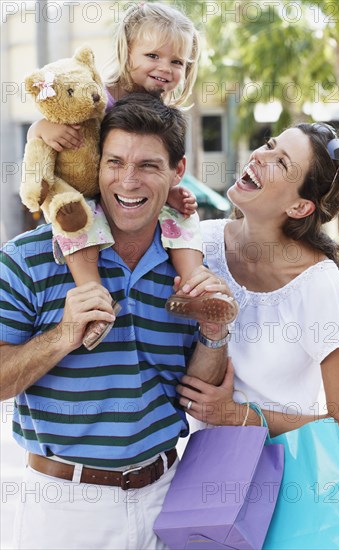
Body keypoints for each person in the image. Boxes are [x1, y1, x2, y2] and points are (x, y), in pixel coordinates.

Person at [0, 93, 234, 550]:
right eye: (115, 162)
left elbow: (194, 394)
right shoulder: (26, 258)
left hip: (167, 498)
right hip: (63, 508)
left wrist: (213, 332)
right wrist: (63, 336)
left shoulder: (189, 266)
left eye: (148, 165)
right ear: (96, 165)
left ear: (177, 172)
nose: (128, 180)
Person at [27, 2, 237, 350]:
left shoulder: (165, 112)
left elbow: (154, 166)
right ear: (127, 51)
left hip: (120, 194)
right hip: (81, 194)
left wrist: (170, 192)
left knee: (183, 216)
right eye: (153, 55)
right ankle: (93, 299)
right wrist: (42, 127)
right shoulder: (99, 95)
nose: (165, 68)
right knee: (79, 221)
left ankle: (194, 285)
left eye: (177, 62)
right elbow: (51, 116)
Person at [177, 122, 339, 449]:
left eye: (282, 162)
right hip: (207, 474)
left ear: (299, 207)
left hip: (286, 481)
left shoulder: (318, 284)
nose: (261, 156)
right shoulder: (200, 244)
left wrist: (237, 415)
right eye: (270, 145)